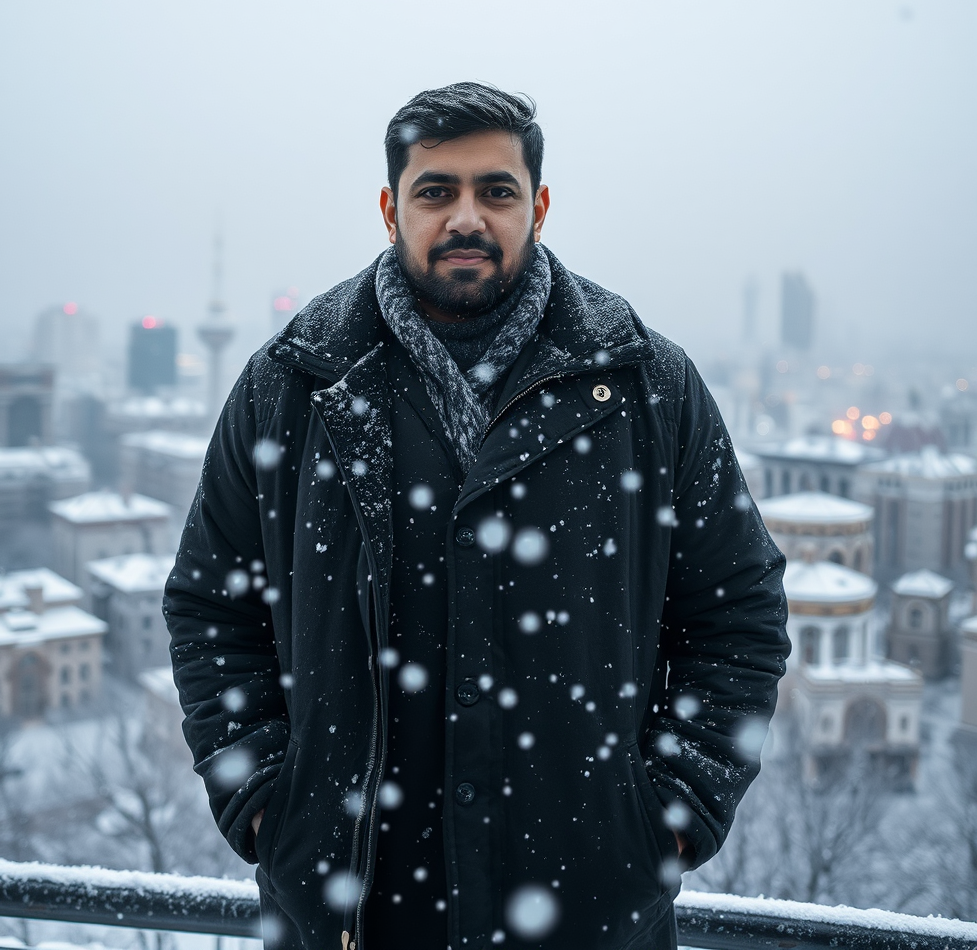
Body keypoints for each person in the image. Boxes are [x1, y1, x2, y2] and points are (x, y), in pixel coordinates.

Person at [163, 82, 790, 950]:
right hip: (355, 907)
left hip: (583, 907)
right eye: (436, 191)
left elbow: (739, 608)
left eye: (496, 191)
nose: (467, 217)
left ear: (538, 205)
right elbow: (210, 603)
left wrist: (671, 814)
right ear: (391, 210)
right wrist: (270, 800)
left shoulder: (645, 386)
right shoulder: (296, 383)